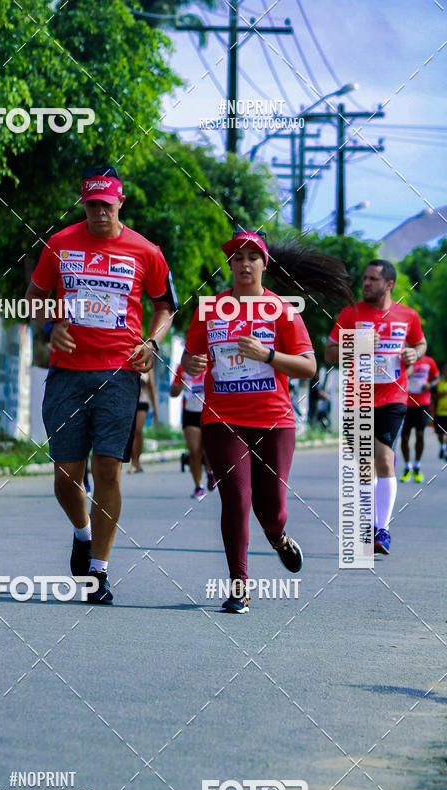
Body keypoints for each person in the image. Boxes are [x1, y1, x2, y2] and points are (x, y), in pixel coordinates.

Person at [25, 165, 177, 604]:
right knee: (65, 475)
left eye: (106, 206)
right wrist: (47, 327)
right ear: (83, 205)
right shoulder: (59, 244)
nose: (99, 214)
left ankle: (99, 572)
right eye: (91, 206)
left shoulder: (145, 251)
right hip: (67, 373)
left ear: (120, 203)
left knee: (108, 469)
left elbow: (165, 305)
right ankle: (82, 533)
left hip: (119, 373)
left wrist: (153, 340)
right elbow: (35, 297)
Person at [182, 230, 352, 613]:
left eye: (252, 257)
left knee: (270, 508)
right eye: (237, 258)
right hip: (222, 417)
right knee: (236, 501)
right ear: (229, 264)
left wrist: (268, 353)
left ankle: (278, 538)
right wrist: (190, 363)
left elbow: (309, 367)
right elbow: (193, 357)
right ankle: (239, 586)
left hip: (274, 419)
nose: (244, 264)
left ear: (264, 264)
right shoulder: (209, 309)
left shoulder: (281, 310)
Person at [325, 259, 426, 555]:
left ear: (389, 284)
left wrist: (413, 354)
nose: (365, 283)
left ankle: (383, 530)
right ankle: (369, 526)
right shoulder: (351, 313)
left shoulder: (407, 315)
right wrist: (358, 343)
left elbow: (420, 344)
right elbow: (330, 353)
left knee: (383, 458)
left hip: (393, 397)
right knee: (365, 465)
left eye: (372, 279)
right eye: (365, 278)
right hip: (358, 397)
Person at [170, 363, 215, 497]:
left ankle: (210, 472)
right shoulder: (183, 366)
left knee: (209, 449)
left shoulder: (212, 363)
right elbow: (173, 393)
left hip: (209, 412)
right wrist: (181, 384)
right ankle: (198, 486)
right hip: (190, 412)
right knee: (194, 451)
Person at [400, 353, 439, 482]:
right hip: (405, 401)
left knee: (420, 434)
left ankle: (417, 465)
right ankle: (407, 467)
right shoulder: (405, 359)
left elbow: (436, 378)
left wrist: (430, 385)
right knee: (405, 437)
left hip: (422, 402)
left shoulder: (429, 361)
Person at [129, 370, 158, 473]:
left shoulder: (147, 364)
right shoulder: (127, 361)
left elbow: (151, 386)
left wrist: (155, 408)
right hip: (129, 400)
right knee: (131, 431)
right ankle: (133, 461)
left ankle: (136, 461)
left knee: (138, 430)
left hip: (143, 400)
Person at [436, 363, 447, 459]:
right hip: (440, 412)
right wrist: (442, 394)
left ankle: (445, 448)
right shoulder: (439, 383)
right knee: (440, 433)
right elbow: (434, 397)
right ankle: (442, 446)